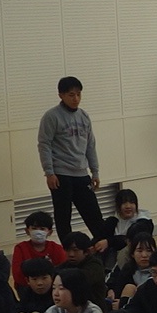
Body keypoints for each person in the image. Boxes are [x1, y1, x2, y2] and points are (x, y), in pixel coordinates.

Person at [38, 75, 102, 246]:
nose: (76, 99)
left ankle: (101, 249)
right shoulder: (52, 116)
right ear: (61, 95)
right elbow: (44, 144)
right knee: (63, 217)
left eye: (78, 94)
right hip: (61, 174)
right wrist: (49, 172)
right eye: (71, 95)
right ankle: (68, 251)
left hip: (81, 173)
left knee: (94, 215)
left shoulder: (84, 116)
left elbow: (90, 145)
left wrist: (95, 171)